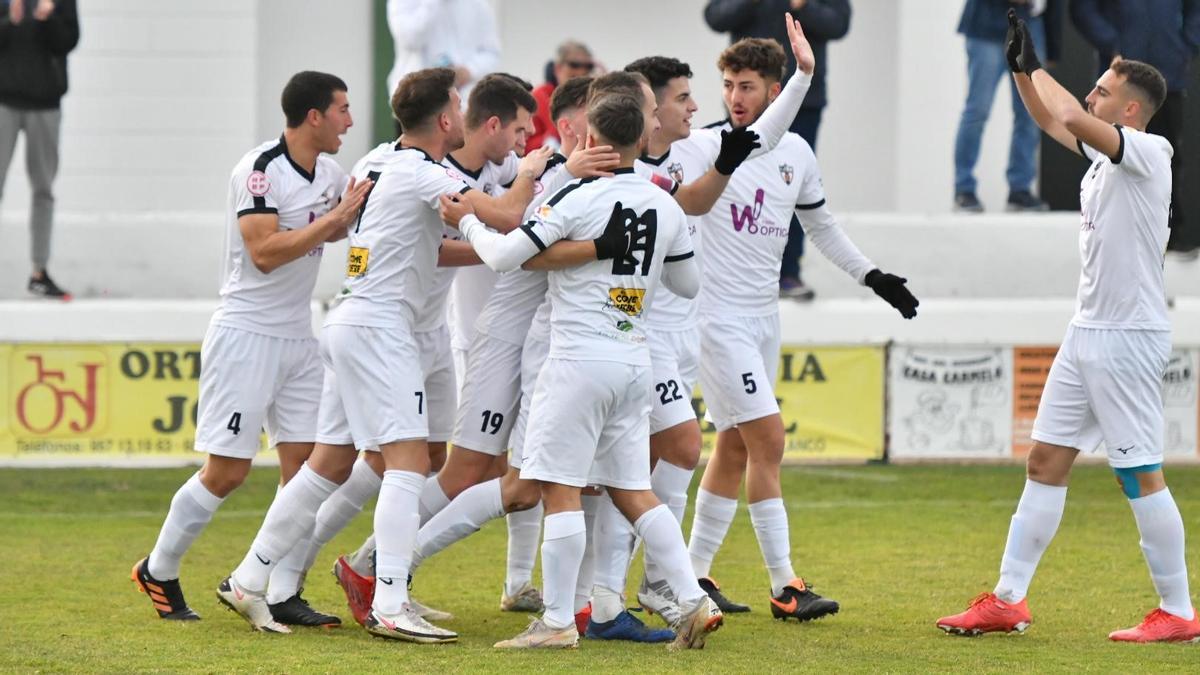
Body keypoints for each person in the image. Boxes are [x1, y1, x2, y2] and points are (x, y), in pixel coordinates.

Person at [212, 67, 560, 642]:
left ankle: (251, 577)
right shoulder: (427, 173)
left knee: (329, 465)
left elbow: (414, 247)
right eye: (457, 105)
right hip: (380, 328)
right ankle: (389, 601)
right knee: (407, 464)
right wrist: (528, 174)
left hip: (349, 318)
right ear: (447, 119)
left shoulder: (374, 159)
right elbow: (506, 217)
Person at [936, 13, 1199, 643]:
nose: (1090, 96)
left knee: (1140, 474)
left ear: (1132, 110)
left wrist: (1038, 68)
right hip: (1087, 332)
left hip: (1128, 337)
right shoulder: (1107, 160)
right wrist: (1022, 73)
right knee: (1045, 460)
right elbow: (1055, 119)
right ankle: (1008, 600)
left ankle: (1180, 611)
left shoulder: (1150, 150)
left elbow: (1074, 118)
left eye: (1103, 90)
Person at [441, 91, 723, 652]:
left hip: (576, 362)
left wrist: (467, 221)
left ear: (591, 141)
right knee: (636, 492)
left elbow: (503, 257)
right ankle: (692, 601)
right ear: (640, 141)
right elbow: (688, 286)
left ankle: (555, 622)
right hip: (634, 361)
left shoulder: (576, 197)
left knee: (561, 488)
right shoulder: (664, 205)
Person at [685, 34, 918, 620]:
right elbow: (716, 170)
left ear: (770, 89)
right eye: (729, 86)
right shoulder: (704, 147)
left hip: (764, 319)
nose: (735, 97)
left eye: (747, 87)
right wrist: (805, 74)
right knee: (768, 440)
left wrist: (874, 276)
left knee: (736, 448)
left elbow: (822, 228)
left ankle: (694, 576)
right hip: (716, 319)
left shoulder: (798, 155)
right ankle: (786, 585)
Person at [130, 71, 370, 630]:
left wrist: (349, 219)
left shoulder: (331, 172)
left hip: (298, 335)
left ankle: (278, 587)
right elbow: (263, 251)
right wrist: (335, 220)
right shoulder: (260, 171)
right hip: (246, 334)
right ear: (314, 115)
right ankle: (158, 568)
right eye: (342, 109)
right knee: (228, 471)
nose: (349, 121)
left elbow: (328, 229)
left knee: (312, 469)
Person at [704, 0, 852, 300]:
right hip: (750, 103)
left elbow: (838, 24)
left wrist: (803, 5)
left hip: (803, 104)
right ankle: (737, 272)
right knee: (740, 185)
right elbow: (715, 17)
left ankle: (788, 273)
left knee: (792, 185)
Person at [1070, 0, 1200, 259]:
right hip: (1121, 80)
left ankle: (1170, 235)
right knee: (1108, 155)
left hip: (1168, 74)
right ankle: (1110, 235)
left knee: (1169, 158)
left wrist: (1186, 45)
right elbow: (1083, 10)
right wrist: (1114, 44)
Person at [0, 0, 79, 298]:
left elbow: (68, 42)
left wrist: (48, 19)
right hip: (4, 103)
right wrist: (11, 20)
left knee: (43, 190)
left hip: (45, 106)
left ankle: (39, 272)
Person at [953, 0, 1061, 213]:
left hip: (1031, 25)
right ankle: (963, 188)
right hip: (987, 24)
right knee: (978, 110)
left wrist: (1053, 48)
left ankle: (1020, 190)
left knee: (1030, 113)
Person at [385, 0, 501, 108]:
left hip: (463, 104)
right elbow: (411, 40)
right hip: (415, 102)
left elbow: (491, 52)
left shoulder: (478, 4)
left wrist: (469, 70)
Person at [528, 40, 597, 151]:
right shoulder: (540, 95)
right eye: (574, 65)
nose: (581, 71)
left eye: (588, 66)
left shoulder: (592, 96)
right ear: (558, 68)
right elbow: (528, 144)